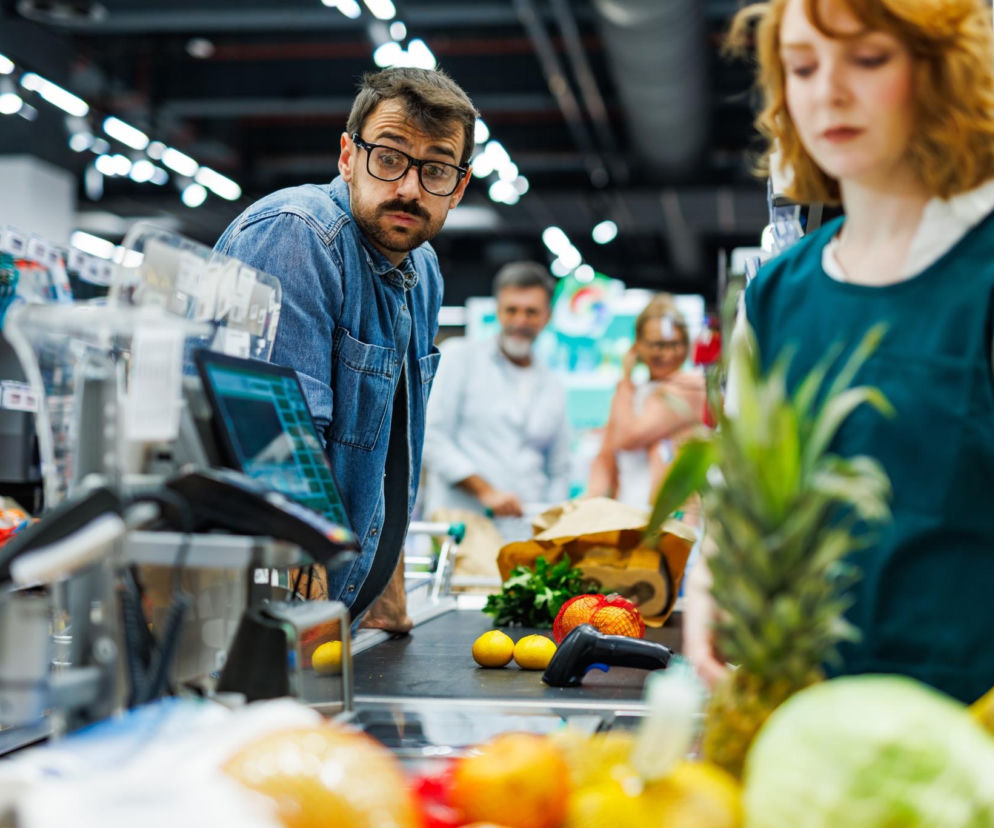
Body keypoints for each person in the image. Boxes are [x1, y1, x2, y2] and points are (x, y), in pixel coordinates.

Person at [684, 0, 994, 702]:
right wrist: (710, 579)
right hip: (808, 717)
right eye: (802, 66)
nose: (829, 91)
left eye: (869, 58)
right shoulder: (778, 294)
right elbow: (740, 484)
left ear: (943, 70)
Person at [214, 67, 477, 627]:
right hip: (254, 619)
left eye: (434, 169)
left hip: (342, 613)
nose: (408, 187)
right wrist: (295, 622)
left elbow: (394, 443)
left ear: (458, 187)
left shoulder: (423, 269)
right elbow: (277, 442)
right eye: (389, 156)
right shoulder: (299, 235)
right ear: (347, 156)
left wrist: (387, 582)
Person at [421, 261, 571, 526]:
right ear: (498, 311)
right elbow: (431, 438)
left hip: (524, 529)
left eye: (531, 312)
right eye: (511, 310)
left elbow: (559, 466)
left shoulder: (552, 384)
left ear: (547, 317)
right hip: (461, 522)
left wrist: (552, 522)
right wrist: (485, 491)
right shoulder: (460, 357)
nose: (520, 321)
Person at [586, 295, 706, 509]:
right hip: (627, 514)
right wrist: (592, 502)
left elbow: (628, 437)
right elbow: (606, 456)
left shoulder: (690, 387)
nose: (667, 353)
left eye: (675, 344)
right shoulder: (631, 391)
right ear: (638, 346)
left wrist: (625, 380)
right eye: (657, 345)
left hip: (669, 522)